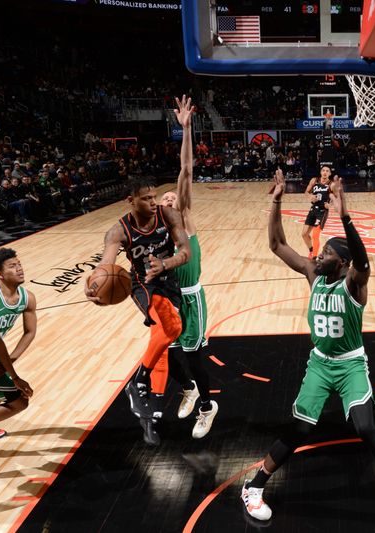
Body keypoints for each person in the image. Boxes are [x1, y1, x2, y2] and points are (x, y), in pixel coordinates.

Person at [241, 170, 375, 533]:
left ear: (341, 263)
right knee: (299, 428)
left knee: (365, 427)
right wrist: (278, 198)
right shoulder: (314, 275)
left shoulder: (354, 285)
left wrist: (344, 217)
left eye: (327, 251)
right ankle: (253, 487)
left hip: (350, 365)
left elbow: (362, 261)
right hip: (320, 364)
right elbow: (277, 245)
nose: (320, 253)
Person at [84, 177, 190, 446]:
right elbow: (106, 266)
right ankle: (140, 381)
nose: (153, 202)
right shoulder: (117, 231)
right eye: (146, 198)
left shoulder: (168, 215)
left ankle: (149, 414)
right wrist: (94, 287)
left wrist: (165, 264)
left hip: (168, 279)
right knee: (171, 328)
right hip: (143, 284)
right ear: (130, 201)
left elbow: (186, 252)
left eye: (154, 197)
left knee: (163, 342)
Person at [157, 95, 218, 439]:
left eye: (171, 198)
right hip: (170, 298)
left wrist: (186, 129)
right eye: (162, 200)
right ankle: (190, 390)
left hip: (191, 299)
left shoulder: (185, 219)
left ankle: (208, 408)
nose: (168, 201)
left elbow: (186, 170)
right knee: (166, 352)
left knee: (194, 357)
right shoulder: (159, 231)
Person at [0, 248, 38, 440]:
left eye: (19, 264)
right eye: (13, 266)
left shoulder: (27, 297)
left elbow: (30, 332)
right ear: (0, 274)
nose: (19, 268)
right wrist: (12, 373)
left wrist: (8, 361)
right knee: (19, 401)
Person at [302, 165, 333, 259]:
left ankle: (314, 258)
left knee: (315, 235)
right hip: (313, 209)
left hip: (322, 211)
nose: (325, 172)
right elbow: (306, 192)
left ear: (330, 173)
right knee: (304, 234)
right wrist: (310, 196)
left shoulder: (331, 184)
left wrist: (330, 204)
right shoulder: (314, 180)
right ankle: (311, 251)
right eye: (323, 170)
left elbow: (335, 198)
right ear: (320, 172)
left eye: (327, 171)